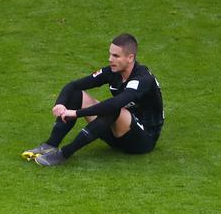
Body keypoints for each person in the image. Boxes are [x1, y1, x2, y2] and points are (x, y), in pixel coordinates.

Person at [22, 33, 164, 166]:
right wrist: (60, 104)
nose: (110, 59)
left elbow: (116, 104)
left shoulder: (143, 78)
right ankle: (50, 145)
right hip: (117, 133)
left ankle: (64, 154)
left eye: (116, 56)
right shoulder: (112, 71)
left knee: (113, 108)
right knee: (77, 94)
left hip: (142, 140)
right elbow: (73, 85)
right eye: (110, 54)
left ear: (130, 58)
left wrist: (76, 113)